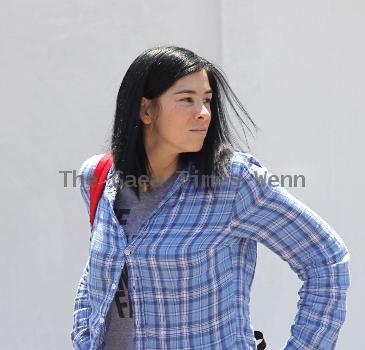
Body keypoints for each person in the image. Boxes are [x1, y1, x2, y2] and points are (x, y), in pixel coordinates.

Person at [70, 45, 351, 350]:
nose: (203, 113)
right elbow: (100, 272)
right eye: (186, 100)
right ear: (146, 110)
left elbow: (327, 261)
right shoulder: (97, 176)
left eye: (206, 100)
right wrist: (83, 336)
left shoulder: (234, 183)